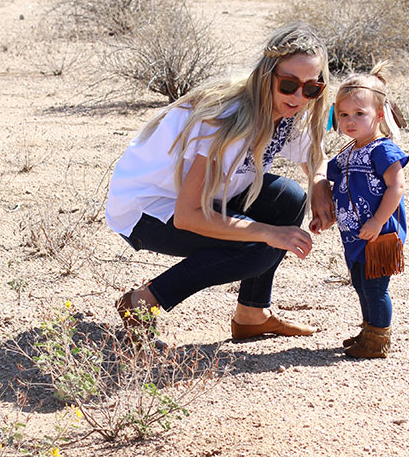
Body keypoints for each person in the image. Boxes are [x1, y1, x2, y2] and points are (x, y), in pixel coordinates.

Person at [106, 23, 335, 341]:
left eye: (311, 88)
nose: (299, 96)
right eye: (288, 84)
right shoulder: (224, 119)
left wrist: (320, 184)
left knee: (290, 198)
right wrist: (265, 231)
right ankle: (140, 303)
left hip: (209, 196)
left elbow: (314, 156)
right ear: (266, 76)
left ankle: (252, 315)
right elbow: (189, 215)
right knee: (257, 244)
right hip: (147, 210)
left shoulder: (286, 111)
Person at [321, 64, 409, 359]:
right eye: (344, 115)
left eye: (360, 114)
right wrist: (326, 213)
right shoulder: (347, 152)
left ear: (379, 115)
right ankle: (369, 329)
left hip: (378, 234)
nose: (350, 121)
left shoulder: (382, 150)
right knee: (360, 283)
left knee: (375, 288)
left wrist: (377, 220)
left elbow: (396, 187)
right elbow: (334, 181)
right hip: (356, 235)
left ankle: (378, 339)